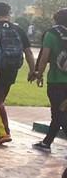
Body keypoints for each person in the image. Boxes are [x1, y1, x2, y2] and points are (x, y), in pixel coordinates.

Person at [0, 2, 36, 145]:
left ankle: (4, 132)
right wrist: (33, 70)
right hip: (12, 69)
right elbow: (28, 52)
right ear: (9, 13)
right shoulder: (18, 29)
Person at [32, 8, 67, 152]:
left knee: (58, 114)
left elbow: (44, 57)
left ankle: (47, 143)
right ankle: (47, 142)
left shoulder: (51, 34)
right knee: (61, 113)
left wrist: (39, 74)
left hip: (56, 81)